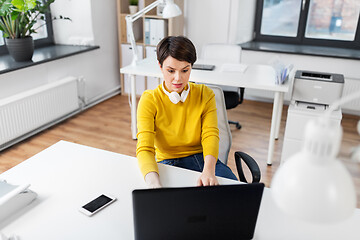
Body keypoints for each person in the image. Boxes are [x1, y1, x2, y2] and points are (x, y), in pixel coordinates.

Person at [136, 36, 237, 188]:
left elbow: (211, 135)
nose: (178, 78)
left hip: (203, 159)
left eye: (185, 70)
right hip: (168, 162)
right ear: (160, 66)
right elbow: (145, 148)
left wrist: (209, 171)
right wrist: (153, 184)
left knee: (236, 193)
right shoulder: (149, 100)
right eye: (171, 71)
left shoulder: (205, 94)